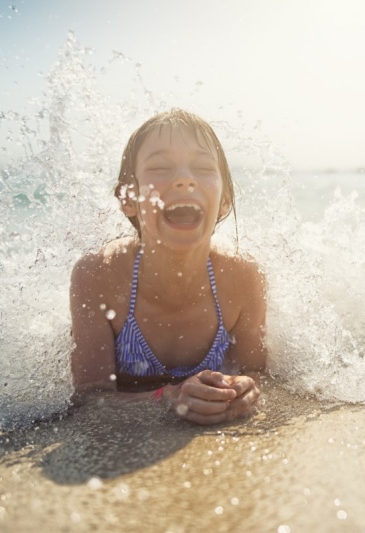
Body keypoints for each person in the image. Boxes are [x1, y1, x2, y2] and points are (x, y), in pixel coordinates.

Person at [70, 109, 265, 424]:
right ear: (127, 198)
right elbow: (89, 399)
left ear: (225, 199)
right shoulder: (98, 275)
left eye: (202, 167)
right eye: (160, 166)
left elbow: (256, 372)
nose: (184, 178)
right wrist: (168, 397)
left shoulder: (242, 278)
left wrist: (246, 390)